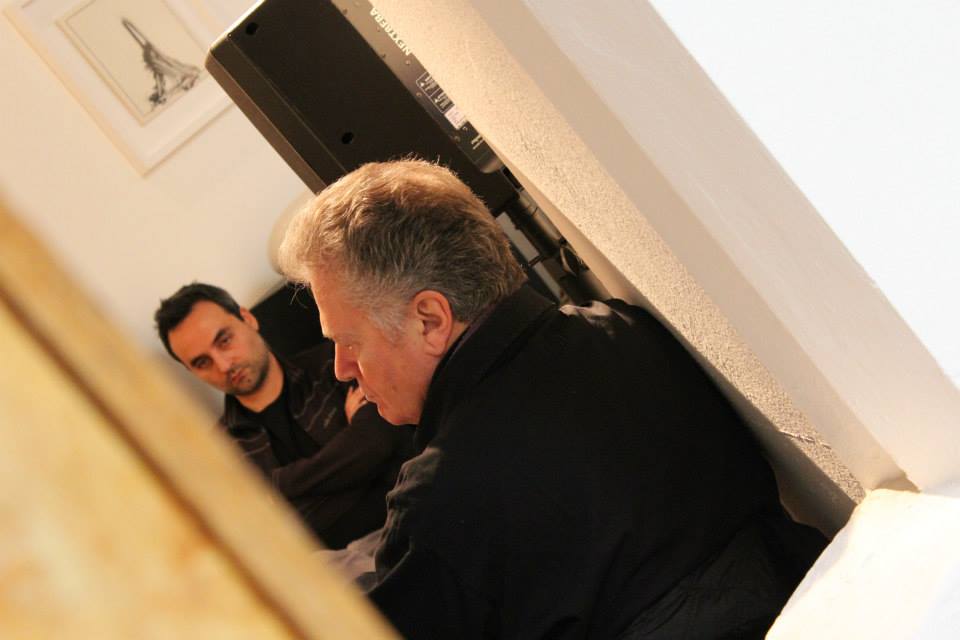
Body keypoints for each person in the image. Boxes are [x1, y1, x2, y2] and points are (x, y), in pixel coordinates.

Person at [277, 159, 827, 638]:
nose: (342, 368)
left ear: (430, 320)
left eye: (349, 342)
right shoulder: (626, 329)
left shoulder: (441, 501)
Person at [154, 283, 414, 550]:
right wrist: (350, 447)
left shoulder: (335, 366)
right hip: (329, 568)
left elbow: (383, 441)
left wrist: (275, 485)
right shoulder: (219, 452)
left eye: (224, 340)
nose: (223, 365)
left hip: (410, 522)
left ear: (248, 319)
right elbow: (277, 537)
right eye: (202, 362)